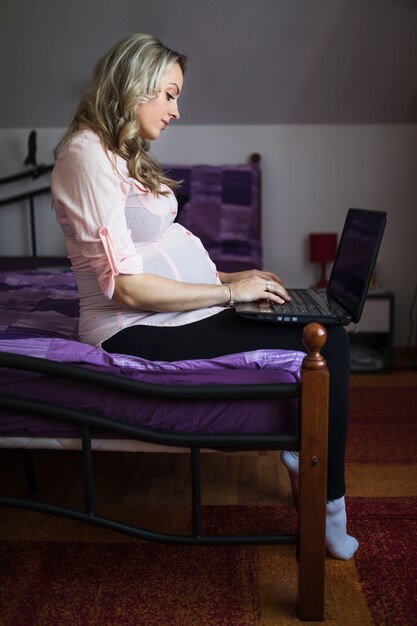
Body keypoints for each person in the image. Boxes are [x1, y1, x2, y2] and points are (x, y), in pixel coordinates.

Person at [51, 33, 358, 560]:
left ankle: (303, 454)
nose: (176, 110)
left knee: (305, 324)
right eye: (169, 94)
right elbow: (125, 286)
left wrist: (238, 275)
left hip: (175, 312)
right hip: (133, 326)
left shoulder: (117, 152)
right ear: (135, 85)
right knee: (331, 344)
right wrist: (227, 290)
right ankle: (328, 506)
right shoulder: (86, 156)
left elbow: (151, 253)